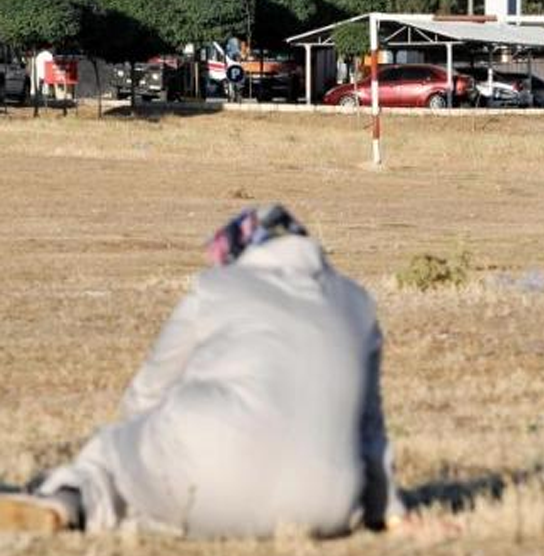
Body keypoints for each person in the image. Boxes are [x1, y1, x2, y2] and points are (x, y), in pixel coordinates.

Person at [0, 205, 405, 536]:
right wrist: (388, 513)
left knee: (111, 457)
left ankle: (66, 501)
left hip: (210, 470)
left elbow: (150, 391)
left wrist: (134, 443)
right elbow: (371, 430)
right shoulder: (357, 303)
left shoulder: (215, 287)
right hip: (327, 506)